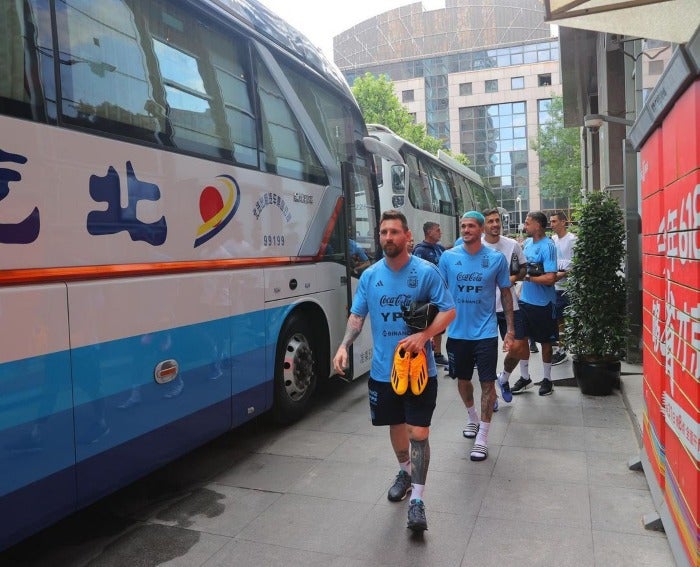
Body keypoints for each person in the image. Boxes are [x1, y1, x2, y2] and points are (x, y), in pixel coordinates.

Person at [332, 209, 455, 533]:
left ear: (407, 237)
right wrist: (344, 345)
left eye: (394, 232)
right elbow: (358, 316)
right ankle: (404, 470)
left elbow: (449, 310)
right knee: (397, 427)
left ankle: (418, 499)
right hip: (384, 373)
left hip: (419, 372)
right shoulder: (371, 276)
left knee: (419, 433)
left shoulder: (426, 273)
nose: (388, 237)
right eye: (383, 232)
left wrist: (426, 335)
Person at [438, 211, 514, 462]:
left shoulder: (495, 259)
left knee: (487, 384)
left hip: (486, 332)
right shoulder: (448, 258)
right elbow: (439, 293)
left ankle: (482, 436)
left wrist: (510, 331)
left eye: (471, 226)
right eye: (463, 226)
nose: (466, 229)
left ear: (481, 230)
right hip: (457, 333)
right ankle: (472, 417)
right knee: (462, 381)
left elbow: (505, 294)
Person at [480, 208, 528, 404]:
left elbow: (524, 269)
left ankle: (504, 378)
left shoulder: (512, 244)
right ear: (483, 225)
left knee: (519, 348)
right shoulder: (477, 246)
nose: (494, 225)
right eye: (490, 221)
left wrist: (512, 277)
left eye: (497, 220)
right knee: (487, 354)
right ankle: (491, 394)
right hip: (485, 309)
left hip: (510, 306)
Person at [511, 211, 558, 396]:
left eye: (527, 223)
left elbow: (551, 278)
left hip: (544, 304)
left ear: (537, 225)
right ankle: (525, 378)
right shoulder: (528, 244)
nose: (525, 226)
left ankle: (547, 379)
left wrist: (527, 278)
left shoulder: (548, 246)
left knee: (546, 343)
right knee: (521, 341)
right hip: (525, 302)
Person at [412, 222, 448, 367]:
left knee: (439, 324)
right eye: (437, 230)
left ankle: (438, 354)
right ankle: (421, 352)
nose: (440, 232)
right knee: (425, 323)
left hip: (439, 292)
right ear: (429, 232)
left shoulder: (440, 248)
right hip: (425, 295)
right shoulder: (420, 250)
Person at [549, 211, 577, 365]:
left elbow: (578, 263)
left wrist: (564, 273)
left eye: (554, 221)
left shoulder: (572, 240)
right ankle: (560, 347)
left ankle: (563, 349)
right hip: (553, 285)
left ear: (563, 222)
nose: (551, 224)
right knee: (556, 318)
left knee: (563, 319)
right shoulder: (552, 240)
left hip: (566, 286)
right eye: (551, 221)